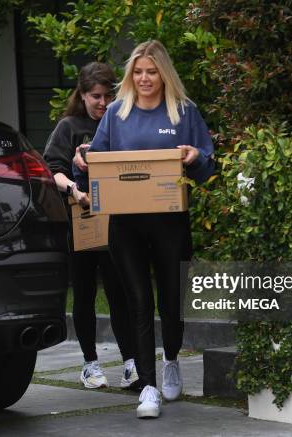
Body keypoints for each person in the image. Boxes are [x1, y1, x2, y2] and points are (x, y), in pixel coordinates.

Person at [73, 41, 214, 418]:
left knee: (171, 299)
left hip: (169, 221)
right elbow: (93, 161)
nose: (144, 78)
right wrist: (82, 161)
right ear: (130, 75)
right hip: (125, 224)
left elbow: (207, 163)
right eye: (138, 72)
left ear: (163, 74)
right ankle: (148, 386)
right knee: (138, 301)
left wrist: (196, 156)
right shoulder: (117, 113)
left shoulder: (183, 112)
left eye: (151, 71)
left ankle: (170, 359)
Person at [43, 62, 138, 390]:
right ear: (81, 95)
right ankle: (90, 363)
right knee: (83, 293)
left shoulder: (120, 124)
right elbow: (51, 169)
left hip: (117, 223)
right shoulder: (68, 127)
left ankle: (130, 363)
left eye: (107, 96)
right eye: (95, 96)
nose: (102, 103)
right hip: (81, 223)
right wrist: (75, 190)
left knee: (119, 293)